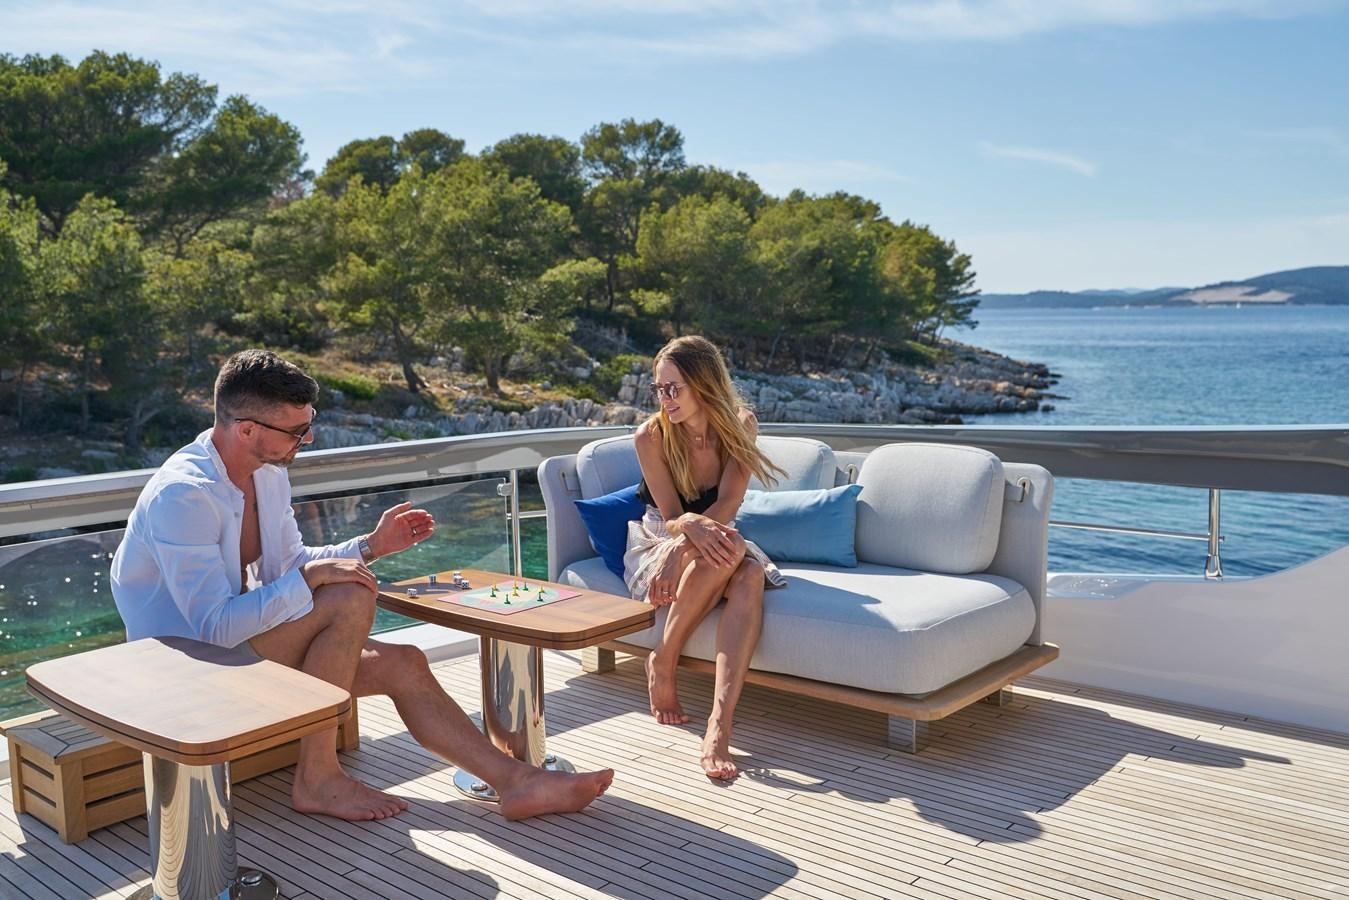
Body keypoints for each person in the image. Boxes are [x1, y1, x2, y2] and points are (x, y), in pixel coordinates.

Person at [111, 349, 612, 822]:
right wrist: (314, 578)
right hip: (183, 670)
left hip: (234, 649)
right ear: (246, 429)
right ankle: (318, 778)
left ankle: (517, 782)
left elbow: (293, 564)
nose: (306, 439)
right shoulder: (184, 496)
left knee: (405, 662)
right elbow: (213, 627)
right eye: (298, 430)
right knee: (349, 594)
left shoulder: (265, 472)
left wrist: (371, 546)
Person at [623, 336, 787, 779]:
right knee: (737, 558)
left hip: (714, 529)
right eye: (660, 389)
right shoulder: (651, 436)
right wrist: (680, 541)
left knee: (745, 569)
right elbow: (674, 518)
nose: (665, 398)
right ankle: (667, 663)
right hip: (659, 533)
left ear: (703, 383)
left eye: (674, 388)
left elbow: (729, 504)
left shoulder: (739, 424)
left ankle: (718, 723)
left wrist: (688, 544)